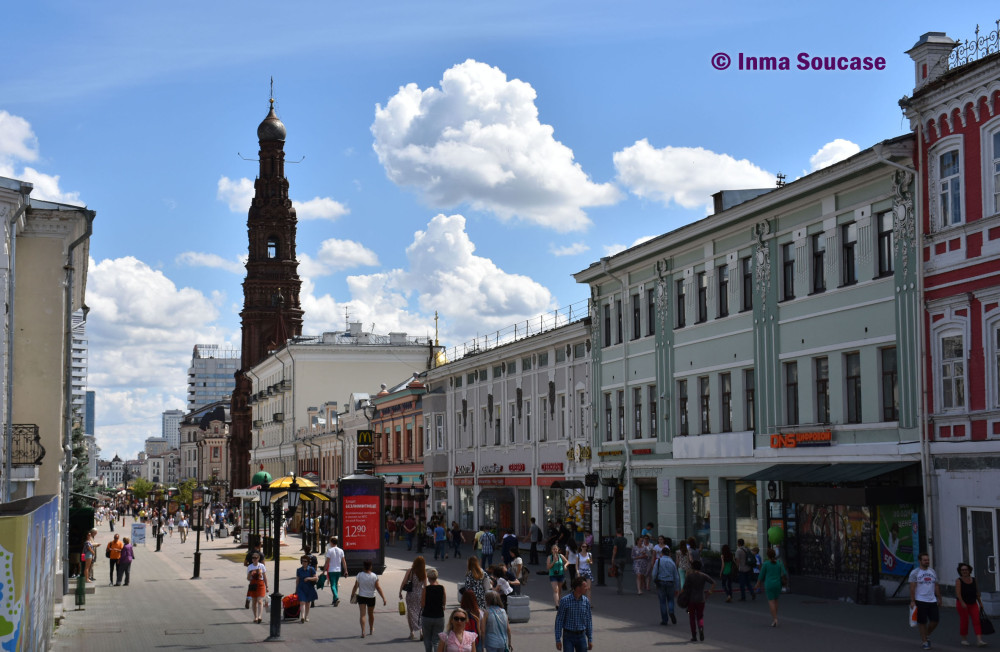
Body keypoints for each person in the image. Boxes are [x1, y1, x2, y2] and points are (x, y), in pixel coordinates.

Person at [909, 552, 942, 650]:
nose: (927, 561)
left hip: (932, 600)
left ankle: (926, 634)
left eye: (928, 560)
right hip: (920, 600)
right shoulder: (915, 573)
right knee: (922, 622)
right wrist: (912, 601)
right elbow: (912, 588)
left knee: (935, 621)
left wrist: (939, 598)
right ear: (920, 561)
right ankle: (924, 641)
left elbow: (936, 585)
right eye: (925, 560)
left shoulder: (932, 571)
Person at [350, 559, 386, 638]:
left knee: (362, 615)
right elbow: (378, 588)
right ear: (370, 566)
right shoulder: (374, 576)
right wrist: (383, 598)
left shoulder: (359, 575)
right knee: (371, 614)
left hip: (362, 596)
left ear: (364, 567)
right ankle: (370, 629)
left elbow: (355, 586)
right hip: (371, 597)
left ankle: (363, 631)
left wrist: (352, 594)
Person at [555, 576, 593, 652]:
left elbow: (589, 620)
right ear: (578, 588)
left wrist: (590, 639)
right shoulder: (565, 601)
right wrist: (558, 639)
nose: (587, 588)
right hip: (568, 636)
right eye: (584, 586)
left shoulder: (585, 601)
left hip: (581, 636)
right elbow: (559, 620)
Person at [681, 559, 714, 642]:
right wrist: (709, 592)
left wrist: (682, 596)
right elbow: (713, 583)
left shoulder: (690, 576)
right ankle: (701, 628)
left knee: (691, 618)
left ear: (692, 567)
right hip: (701, 599)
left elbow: (685, 588)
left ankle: (694, 635)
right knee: (700, 616)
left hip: (691, 600)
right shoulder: (703, 575)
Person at [955, 562, 987, 647]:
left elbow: (977, 593)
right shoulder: (959, 581)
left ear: (969, 570)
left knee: (977, 621)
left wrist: (980, 603)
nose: (964, 571)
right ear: (960, 571)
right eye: (962, 570)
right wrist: (962, 603)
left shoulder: (973, 580)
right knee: (964, 621)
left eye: (966, 570)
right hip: (962, 604)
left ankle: (979, 640)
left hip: (973, 603)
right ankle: (964, 639)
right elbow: (958, 594)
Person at [755, 547, 788, 628]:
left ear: (768, 556)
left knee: (771, 602)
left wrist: (758, 584)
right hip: (778, 584)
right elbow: (784, 573)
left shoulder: (766, 564)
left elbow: (761, 575)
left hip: (769, 584)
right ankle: (775, 617)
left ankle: (775, 619)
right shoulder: (779, 563)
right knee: (776, 601)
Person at [401, 556, 428, 640]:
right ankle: (421, 631)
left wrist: (400, 591)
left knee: (410, 613)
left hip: (411, 594)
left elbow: (404, 581)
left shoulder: (411, 571)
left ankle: (412, 632)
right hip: (420, 594)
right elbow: (426, 586)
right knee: (419, 613)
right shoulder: (424, 573)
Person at [651, 547, 680, 626]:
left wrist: (655, 581)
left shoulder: (658, 561)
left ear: (662, 553)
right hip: (670, 582)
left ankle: (664, 620)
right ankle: (671, 611)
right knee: (671, 599)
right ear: (669, 554)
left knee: (662, 601)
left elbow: (654, 573)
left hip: (661, 582)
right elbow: (676, 576)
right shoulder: (672, 562)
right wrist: (677, 588)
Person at [421, 567, 447, 651]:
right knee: (437, 640)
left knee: (427, 639)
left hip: (427, 616)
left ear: (428, 578)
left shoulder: (426, 589)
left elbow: (422, 604)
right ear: (436, 577)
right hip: (439, 616)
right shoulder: (442, 588)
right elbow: (444, 603)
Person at [323, 535, 348, 606]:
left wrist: (324, 571)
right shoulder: (341, 550)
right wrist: (346, 570)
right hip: (338, 570)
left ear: (331, 542)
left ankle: (336, 597)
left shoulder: (330, 551)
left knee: (332, 585)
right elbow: (344, 561)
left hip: (331, 570)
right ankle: (334, 600)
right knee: (336, 584)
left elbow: (327, 562)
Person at [295, 555, 319, 622]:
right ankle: (302, 617)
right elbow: (297, 580)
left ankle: (306, 616)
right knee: (302, 602)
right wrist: (296, 590)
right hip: (301, 587)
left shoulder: (311, 569)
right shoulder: (299, 570)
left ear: (308, 562)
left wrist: (309, 578)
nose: (304, 562)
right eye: (302, 561)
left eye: (305, 561)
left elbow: (316, 578)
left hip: (309, 588)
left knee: (308, 603)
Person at [246, 552, 268, 623]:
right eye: (253, 558)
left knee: (260, 600)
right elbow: (248, 578)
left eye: (256, 558)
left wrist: (267, 586)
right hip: (253, 584)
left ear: (258, 558)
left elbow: (264, 577)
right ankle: (255, 617)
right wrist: (250, 574)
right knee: (254, 601)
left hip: (260, 583)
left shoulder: (261, 566)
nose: (254, 559)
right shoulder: (250, 567)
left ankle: (260, 616)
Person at [547, 544, 569, 608]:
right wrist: (553, 562)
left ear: (558, 550)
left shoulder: (561, 556)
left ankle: (559, 602)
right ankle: (557, 604)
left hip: (560, 574)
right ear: (552, 550)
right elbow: (548, 567)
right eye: (554, 549)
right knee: (555, 590)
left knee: (559, 590)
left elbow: (567, 562)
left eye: (556, 549)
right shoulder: (549, 557)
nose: (555, 550)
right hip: (553, 575)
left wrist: (565, 566)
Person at [610, 527, 629, 595]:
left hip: (617, 558)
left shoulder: (616, 540)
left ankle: (620, 588)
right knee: (621, 572)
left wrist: (613, 557)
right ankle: (620, 586)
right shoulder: (625, 539)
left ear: (616, 532)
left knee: (617, 573)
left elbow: (615, 548)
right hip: (623, 557)